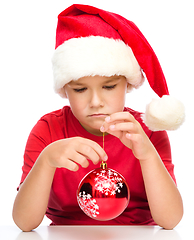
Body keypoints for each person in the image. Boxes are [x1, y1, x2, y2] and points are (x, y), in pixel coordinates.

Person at [12, 4, 185, 232]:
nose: (95, 102)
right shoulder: (48, 130)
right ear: (65, 89)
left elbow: (170, 221)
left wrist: (148, 156)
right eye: (80, 89)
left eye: (109, 86)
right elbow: (24, 223)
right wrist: (46, 161)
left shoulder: (146, 130)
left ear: (128, 84)